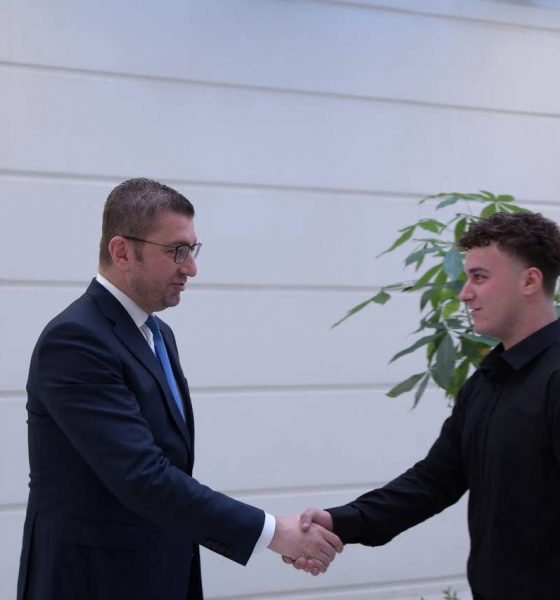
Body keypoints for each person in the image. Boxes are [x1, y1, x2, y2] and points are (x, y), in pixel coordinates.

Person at [17, 178, 342, 600]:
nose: (190, 268)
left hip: (162, 573)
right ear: (121, 251)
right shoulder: (76, 340)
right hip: (94, 581)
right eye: (176, 251)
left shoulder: (158, 334)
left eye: (192, 250)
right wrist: (273, 532)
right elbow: (143, 476)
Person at [287, 211, 560, 599]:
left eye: (479, 277)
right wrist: (339, 522)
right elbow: (434, 480)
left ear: (529, 281)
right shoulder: (486, 381)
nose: (465, 293)